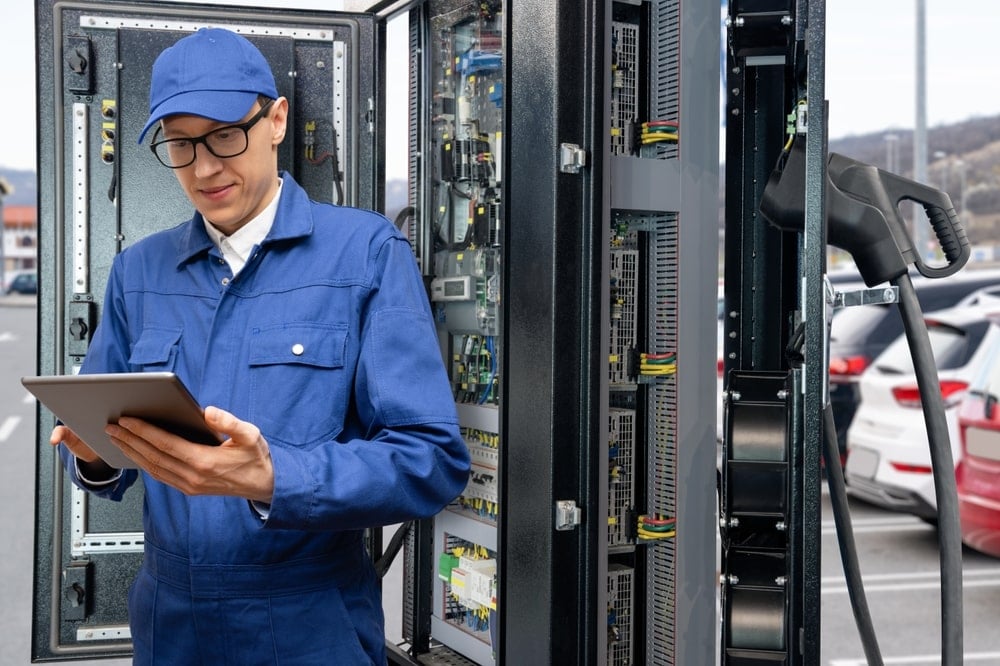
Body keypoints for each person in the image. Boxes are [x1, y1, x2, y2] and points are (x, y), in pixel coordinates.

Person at [51, 27, 470, 665]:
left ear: (275, 120)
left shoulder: (365, 254)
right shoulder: (138, 272)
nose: (205, 167)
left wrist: (277, 478)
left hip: (311, 624)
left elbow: (431, 460)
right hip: (171, 629)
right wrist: (95, 456)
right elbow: (105, 453)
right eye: (182, 144)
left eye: (225, 135)